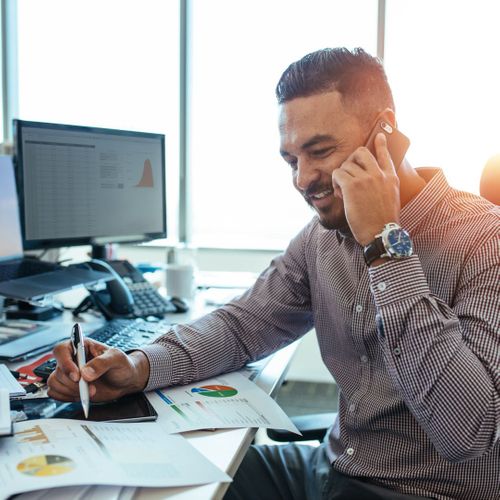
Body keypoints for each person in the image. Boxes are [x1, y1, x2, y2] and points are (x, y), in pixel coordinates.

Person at [47, 48, 499, 500]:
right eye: (291, 160)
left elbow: (468, 431)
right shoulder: (319, 239)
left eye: (320, 151)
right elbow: (243, 326)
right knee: (143, 484)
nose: (303, 179)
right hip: (330, 467)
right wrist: (139, 366)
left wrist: (384, 242)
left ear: (385, 130)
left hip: (429, 492)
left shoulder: (485, 241)